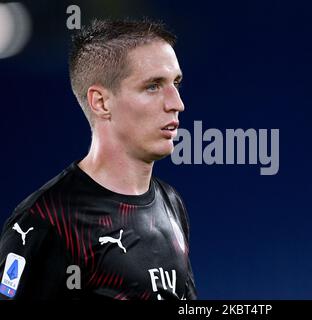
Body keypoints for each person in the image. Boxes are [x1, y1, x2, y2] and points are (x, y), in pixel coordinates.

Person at [0, 18, 197, 300]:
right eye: (153, 86)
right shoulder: (46, 221)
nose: (176, 103)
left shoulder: (171, 202)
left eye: (175, 83)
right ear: (101, 102)